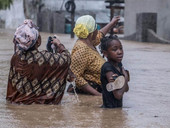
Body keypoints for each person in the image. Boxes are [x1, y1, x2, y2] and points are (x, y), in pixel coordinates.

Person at [6, 19, 71, 104]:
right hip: (39, 107)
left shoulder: (15, 57)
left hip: (16, 105)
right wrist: (59, 44)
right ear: (38, 41)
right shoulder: (45, 58)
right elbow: (67, 59)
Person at [68, 15, 120, 96]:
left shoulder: (89, 41)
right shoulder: (82, 50)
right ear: (91, 32)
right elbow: (75, 77)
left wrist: (112, 23)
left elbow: (100, 35)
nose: (97, 30)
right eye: (96, 28)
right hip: (88, 93)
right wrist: (97, 95)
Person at [100, 35, 130, 108]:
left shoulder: (119, 65)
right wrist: (125, 77)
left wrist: (124, 80)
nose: (119, 52)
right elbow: (118, 95)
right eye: (114, 49)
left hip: (117, 108)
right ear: (105, 53)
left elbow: (126, 89)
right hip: (109, 110)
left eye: (121, 48)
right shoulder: (108, 68)